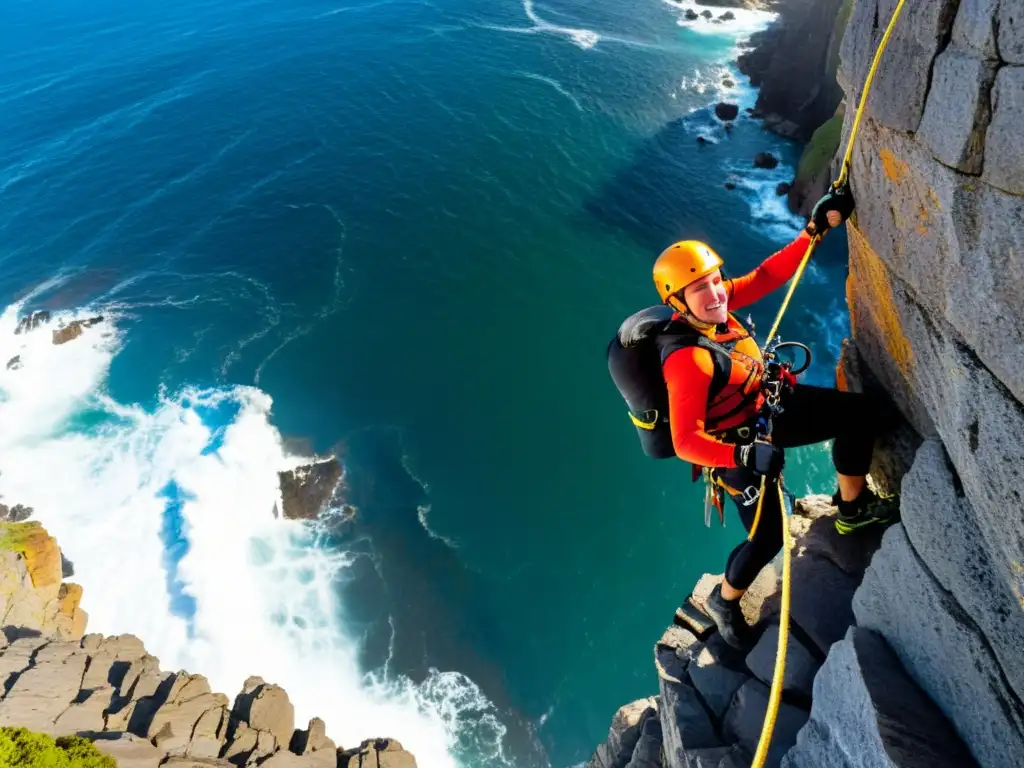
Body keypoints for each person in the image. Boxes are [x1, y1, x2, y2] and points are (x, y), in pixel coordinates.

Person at [652, 187, 899, 648]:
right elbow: (686, 440)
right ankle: (724, 600)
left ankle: (851, 508)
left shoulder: (717, 310)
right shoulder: (687, 361)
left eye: (713, 280)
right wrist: (745, 453)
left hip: (769, 412)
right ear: (677, 304)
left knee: (860, 415)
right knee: (767, 541)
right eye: (698, 289)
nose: (713, 293)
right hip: (740, 450)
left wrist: (814, 230)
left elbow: (766, 275)